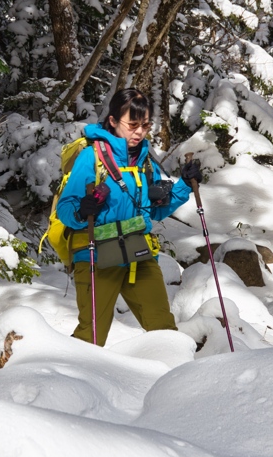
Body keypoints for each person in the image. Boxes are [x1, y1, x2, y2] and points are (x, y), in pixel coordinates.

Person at [55, 87, 203, 345]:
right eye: (133, 125)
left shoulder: (144, 162)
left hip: (138, 252)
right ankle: (59, 370)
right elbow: (65, 208)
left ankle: (175, 370)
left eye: (145, 125)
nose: (140, 132)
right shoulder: (92, 157)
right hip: (96, 254)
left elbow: (155, 210)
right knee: (91, 336)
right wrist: (82, 210)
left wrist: (184, 185)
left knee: (164, 330)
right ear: (113, 121)